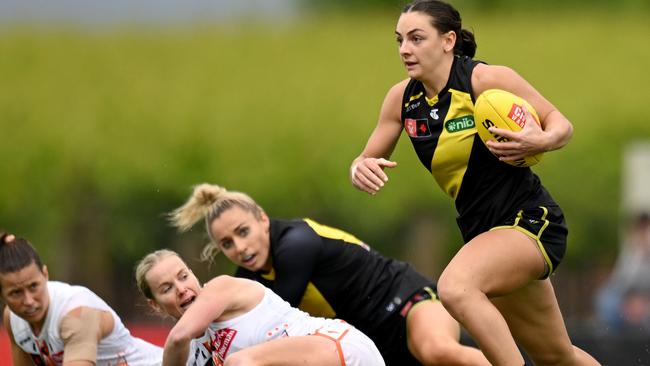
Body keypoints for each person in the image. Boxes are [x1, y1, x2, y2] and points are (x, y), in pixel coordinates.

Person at [349, 1, 601, 365]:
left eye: (417, 38)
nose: (405, 49)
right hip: (482, 232)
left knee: (454, 287)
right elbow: (366, 158)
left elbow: (561, 125)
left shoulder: (483, 80)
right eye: (400, 40)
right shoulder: (402, 100)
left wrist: (541, 140)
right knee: (556, 356)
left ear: (448, 40)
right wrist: (359, 168)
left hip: (529, 221)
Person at [169, 183, 489, 366]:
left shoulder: (296, 243)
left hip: (406, 302)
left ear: (263, 220)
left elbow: (275, 328)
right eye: (227, 243)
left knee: (436, 349)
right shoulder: (246, 280)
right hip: (375, 343)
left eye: (243, 231)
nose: (240, 247)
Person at [134, 249, 385, 366]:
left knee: (239, 363)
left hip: (341, 348)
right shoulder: (192, 356)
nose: (181, 288)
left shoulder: (220, 288)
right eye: (166, 288)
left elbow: (178, 337)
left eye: (183, 276)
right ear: (155, 305)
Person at [0, 231, 163, 366]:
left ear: (45, 274)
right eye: (16, 293)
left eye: (33, 286)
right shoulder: (13, 319)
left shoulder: (76, 315)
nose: (29, 301)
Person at [595, 212, 650, 333]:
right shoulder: (630, 254)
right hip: (627, 298)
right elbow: (620, 281)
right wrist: (629, 300)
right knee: (606, 301)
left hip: (646, 299)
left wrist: (642, 301)